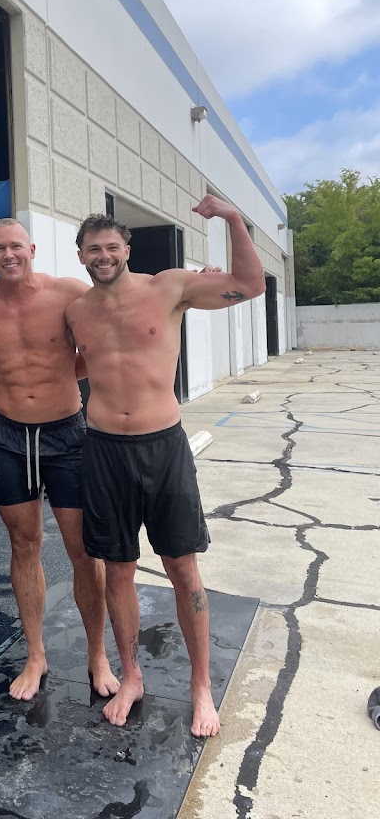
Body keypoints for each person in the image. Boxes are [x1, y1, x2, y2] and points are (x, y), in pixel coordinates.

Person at [66, 195, 266, 737]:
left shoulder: (169, 288)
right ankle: (132, 676)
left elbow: (250, 285)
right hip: (103, 449)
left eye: (112, 246)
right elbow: (72, 362)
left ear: (127, 250)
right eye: (93, 249)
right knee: (118, 570)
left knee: (182, 567)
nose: (103, 255)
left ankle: (201, 687)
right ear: (81, 256)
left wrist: (233, 218)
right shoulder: (77, 311)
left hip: (163, 447)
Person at [0, 219, 119, 702]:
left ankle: (97, 654)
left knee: (82, 550)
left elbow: (105, 337)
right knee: (23, 545)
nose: (8, 255)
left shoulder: (68, 293)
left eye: (16, 246)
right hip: (10, 438)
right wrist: (5, 394)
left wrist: (64, 372)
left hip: (66, 435)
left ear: (31, 249)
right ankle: (36, 654)